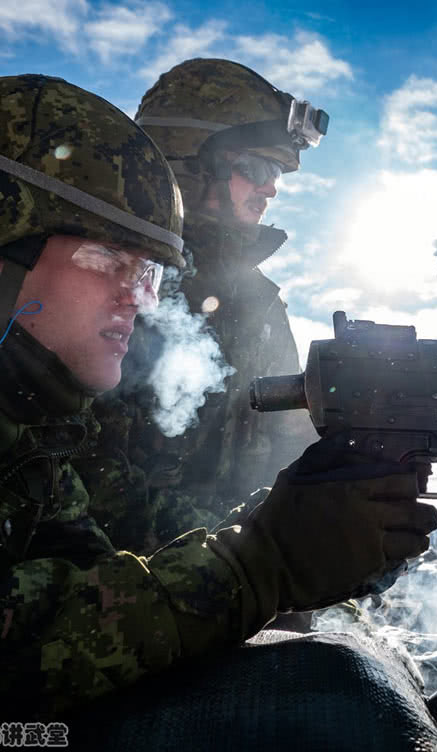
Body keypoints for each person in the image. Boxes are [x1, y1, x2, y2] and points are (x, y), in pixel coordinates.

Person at [0, 74, 437, 724]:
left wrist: (300, 531)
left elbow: (89, 568)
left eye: (147, 272)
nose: (143, 299)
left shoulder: (16, 401)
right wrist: (260, 564)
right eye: (106, 259)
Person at [77, 59, 320, 553]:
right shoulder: (100, 273)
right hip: (105, 595)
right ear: (188, 164)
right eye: (255, 168)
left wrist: (332, 529)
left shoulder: (260, 304)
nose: (270, 187)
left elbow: (293, 450)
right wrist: (259, 563)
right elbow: (86, 481)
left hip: (237, 593)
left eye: (275, 173)